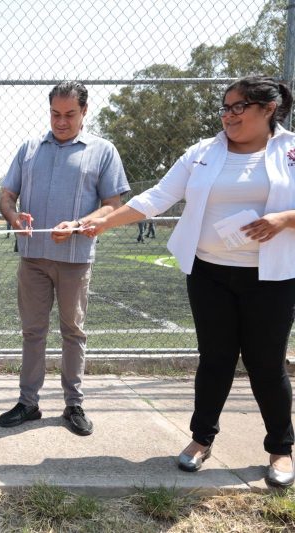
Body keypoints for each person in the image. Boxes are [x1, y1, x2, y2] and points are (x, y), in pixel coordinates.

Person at [84, 76, 295, 487]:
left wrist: (285, 220)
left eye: (239, 107)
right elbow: (156, 198)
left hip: (272, 278)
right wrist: (102, 222)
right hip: (209, 273)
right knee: (214, 359)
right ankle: (201, 439)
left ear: (268, 109)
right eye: (225, 106)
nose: (228, 115)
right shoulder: (203, 152)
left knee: (266, 364)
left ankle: (281, 448)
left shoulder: (291, 151)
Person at [0, 81, 130, 436]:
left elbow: (112, 205)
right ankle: (28, 403)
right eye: (55, 114)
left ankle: (73, 404)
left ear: (85, 112)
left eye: (70, 114)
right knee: (33, 331)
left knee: (73, 331)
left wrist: (78, 225)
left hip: (75, 259)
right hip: (33, 260)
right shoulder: (29, 149)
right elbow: (7, 195)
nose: (61, 121)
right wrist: (14, 217)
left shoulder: (103, 151)